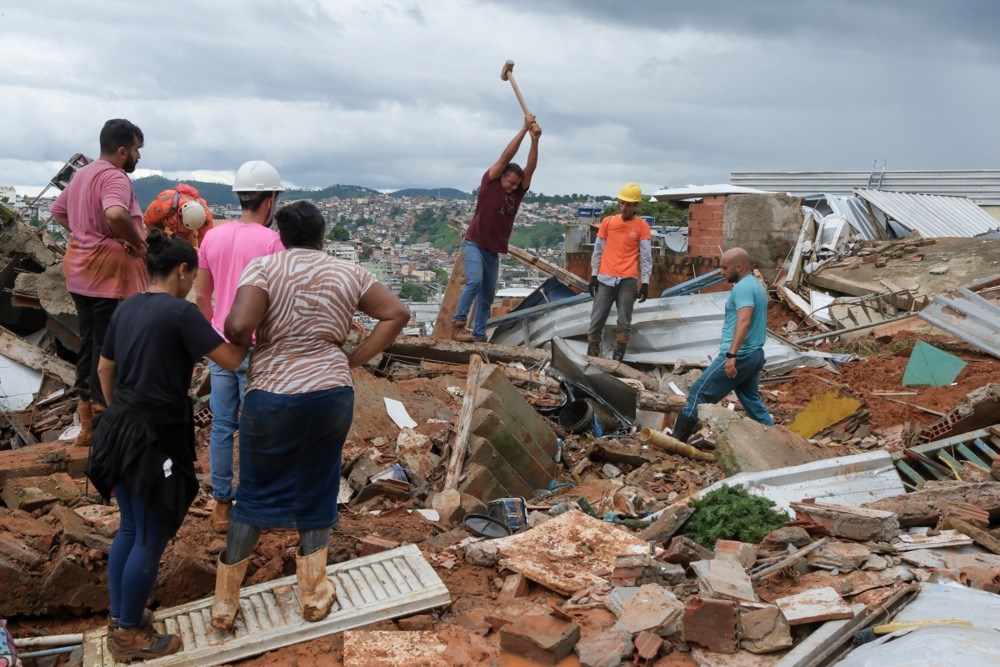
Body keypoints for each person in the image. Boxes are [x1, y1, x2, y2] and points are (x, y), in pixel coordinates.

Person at [211, 201, 409, 630]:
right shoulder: (348, 272)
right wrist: (354, 358)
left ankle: (225, 603)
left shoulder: (264, 268)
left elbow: (238, 328)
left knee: (256, 491)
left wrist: (252, 331)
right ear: (322, 235)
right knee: (319, 486)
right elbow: (397, 313)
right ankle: (314, 596)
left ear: (281, 235)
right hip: (330, 393)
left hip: (272, 394)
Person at [86, 230, 248, 662]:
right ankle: (126, 636)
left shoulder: (126, 308)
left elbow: (105, 368)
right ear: (182, 270)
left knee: (130, 528)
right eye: (193, 276)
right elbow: (231, 360)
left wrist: (120, 410)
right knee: (152, 535)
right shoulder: (181, 314)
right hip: (155, 435)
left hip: (118, 426)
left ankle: (122, 618)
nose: (193, 284)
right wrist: (248, 327)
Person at [195, 161, 286, 533]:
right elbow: (279, 299)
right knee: (257, 426)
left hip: (220, 345)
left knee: (222, 425)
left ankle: (221, 504)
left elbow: (203, 295)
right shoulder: (271, 242)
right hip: (257, 346)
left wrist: (210, 336)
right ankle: (253, 501)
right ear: (269, 201)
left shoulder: (211, 236)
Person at [50, 119, 148, 448]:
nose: (137, 156)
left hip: (80, 270)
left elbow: (57, 210)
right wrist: (135, 243)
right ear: (122, 151)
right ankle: (105, 423)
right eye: (136, 150)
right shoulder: (114, 177)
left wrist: (85, 235)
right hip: (105, 275)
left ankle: (87, 424)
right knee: (108, 348)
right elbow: (117, 215)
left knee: (90, 343)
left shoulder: (83, 175)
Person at [452, 115, 541, 342]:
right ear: (501, 176)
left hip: (493, 251)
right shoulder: (490, 183)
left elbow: (530, 167)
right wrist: (523, 129)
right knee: (475, 281)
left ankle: (479, 335)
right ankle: (458, 324)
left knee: (487, 297)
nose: (512, 187)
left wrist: (535, 141)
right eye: (509, 182)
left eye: (515, 184)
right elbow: (506, 156)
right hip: (475, 243)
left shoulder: (518, 193)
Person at [671, 247, 774, 443]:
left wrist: (731, 355)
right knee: (751, 401)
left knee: (698, 392)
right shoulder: (756, 286)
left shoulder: (743, 287)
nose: (722, 272)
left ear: (740, 267)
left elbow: (744, 320)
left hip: (740, 354)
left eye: (725, 268)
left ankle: (676, 443)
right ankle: (773, 439)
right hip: (754, 354)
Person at [587, 183, 652, 361]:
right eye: (622, 203)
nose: (624, 208)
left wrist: (645, 283)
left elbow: (646, 257)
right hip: (605, 279)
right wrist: (594, 275)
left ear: (636, 205)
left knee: (624, 323)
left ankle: (617, 362)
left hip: (628, 280)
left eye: (629, 204)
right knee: (596, 321)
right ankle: (592, 359)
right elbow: (598, 250)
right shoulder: (608, 222)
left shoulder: (642, 226)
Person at [143, 183, 214, 247]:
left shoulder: (206, 219)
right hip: (163, 230)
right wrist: (160, 238)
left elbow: (205, 243)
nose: (185, 229)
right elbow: (148, 220)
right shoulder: (164, 203)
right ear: (180, 214)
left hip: (189, 238)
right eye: (185, 226)